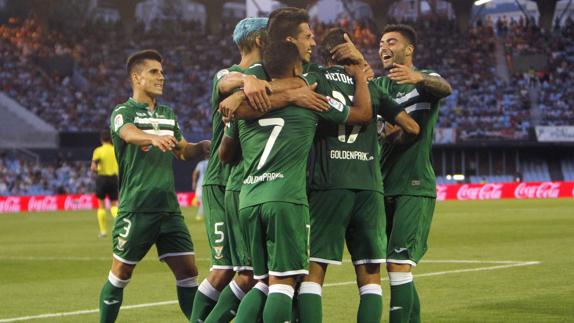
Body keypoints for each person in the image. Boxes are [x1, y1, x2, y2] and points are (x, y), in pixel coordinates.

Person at [298, 28, 420, 323]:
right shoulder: (372, 87)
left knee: (313, 273)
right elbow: (413, 128)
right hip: (369, 188)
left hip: (328, 185)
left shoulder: (315, 76)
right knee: (370, 277)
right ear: (346, 50)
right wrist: (390, 135)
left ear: (326, 53)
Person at [98, 49, 210, 323]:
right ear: (136, 77)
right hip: (137, 208)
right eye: (154, 72)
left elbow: (183, 151)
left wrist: (204, 147)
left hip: (169, 210)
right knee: (121, 273)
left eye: (162, 72)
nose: (162, 77)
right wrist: (151, 138)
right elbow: (127, 133)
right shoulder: (122, 112)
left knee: (188, 273)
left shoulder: (168, 114)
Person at [373, 24, 452, 323]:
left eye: (391, 41)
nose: (384, 47)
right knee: (396, 267)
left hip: (414, 184)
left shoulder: (426, 82)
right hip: (382, 184)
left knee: (398, 264)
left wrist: (417, 77)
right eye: (381, 42)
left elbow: (446, 88)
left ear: (409, 49)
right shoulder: (379, 87)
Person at [91, 130, 119, 238]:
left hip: (102, 178)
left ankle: (103, 231)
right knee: (114, 204)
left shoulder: (98, 150)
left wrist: (96, 170)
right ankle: (118, 224)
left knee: (101, 205)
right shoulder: (115, 150)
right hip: (114, 178)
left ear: (101, 139)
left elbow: (93, 167)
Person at [192, 157, 208, 221]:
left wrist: (194, 182)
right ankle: (200, 215)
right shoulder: (212, 162)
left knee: (202, 201)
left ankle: (201, 214)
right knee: (204, 202)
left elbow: (195, 173)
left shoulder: (200, 163)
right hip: (208, 184)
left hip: (200, 184)